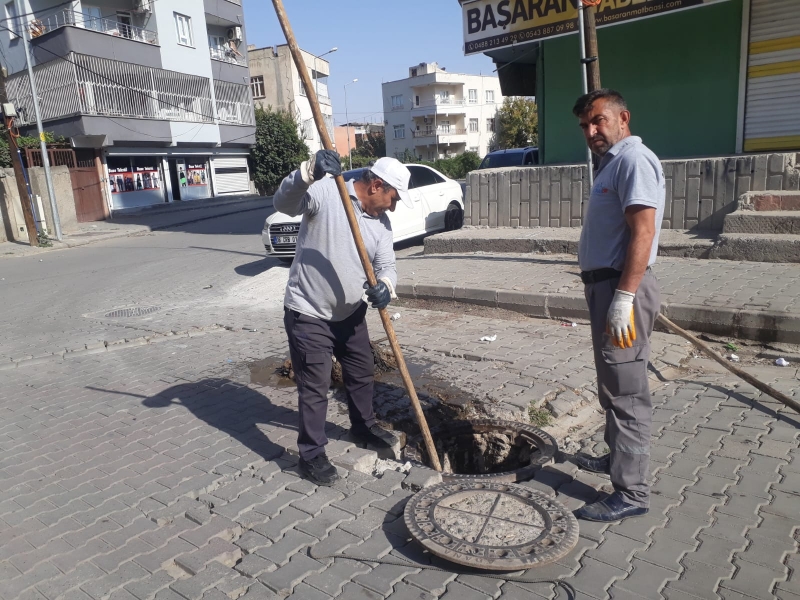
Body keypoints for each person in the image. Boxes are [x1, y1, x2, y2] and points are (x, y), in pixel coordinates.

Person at [273, 151, 413, 485]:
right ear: (376, 185)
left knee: (362, 373)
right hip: (309, 312)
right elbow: (284, 203)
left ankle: (363, 427)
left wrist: (386, 286)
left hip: (350, 315)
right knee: (315, 386)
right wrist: (307, 172)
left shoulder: (381, 225)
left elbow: (386, 266)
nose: (392, 207)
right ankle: (311, 454)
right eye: (393, 199)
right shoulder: (327, 191)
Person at [572, 89, 665, 523]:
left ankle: (632, 492)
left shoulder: (632, 160)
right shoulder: (612, 164)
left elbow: (642, 232)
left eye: (598, 121)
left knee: (626, 392)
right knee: (613, 385)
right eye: (586, 126)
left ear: (622, 117)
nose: (592, 131)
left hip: (620, 291)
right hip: (606, 288)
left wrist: (624, 299)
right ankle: (616, 462)